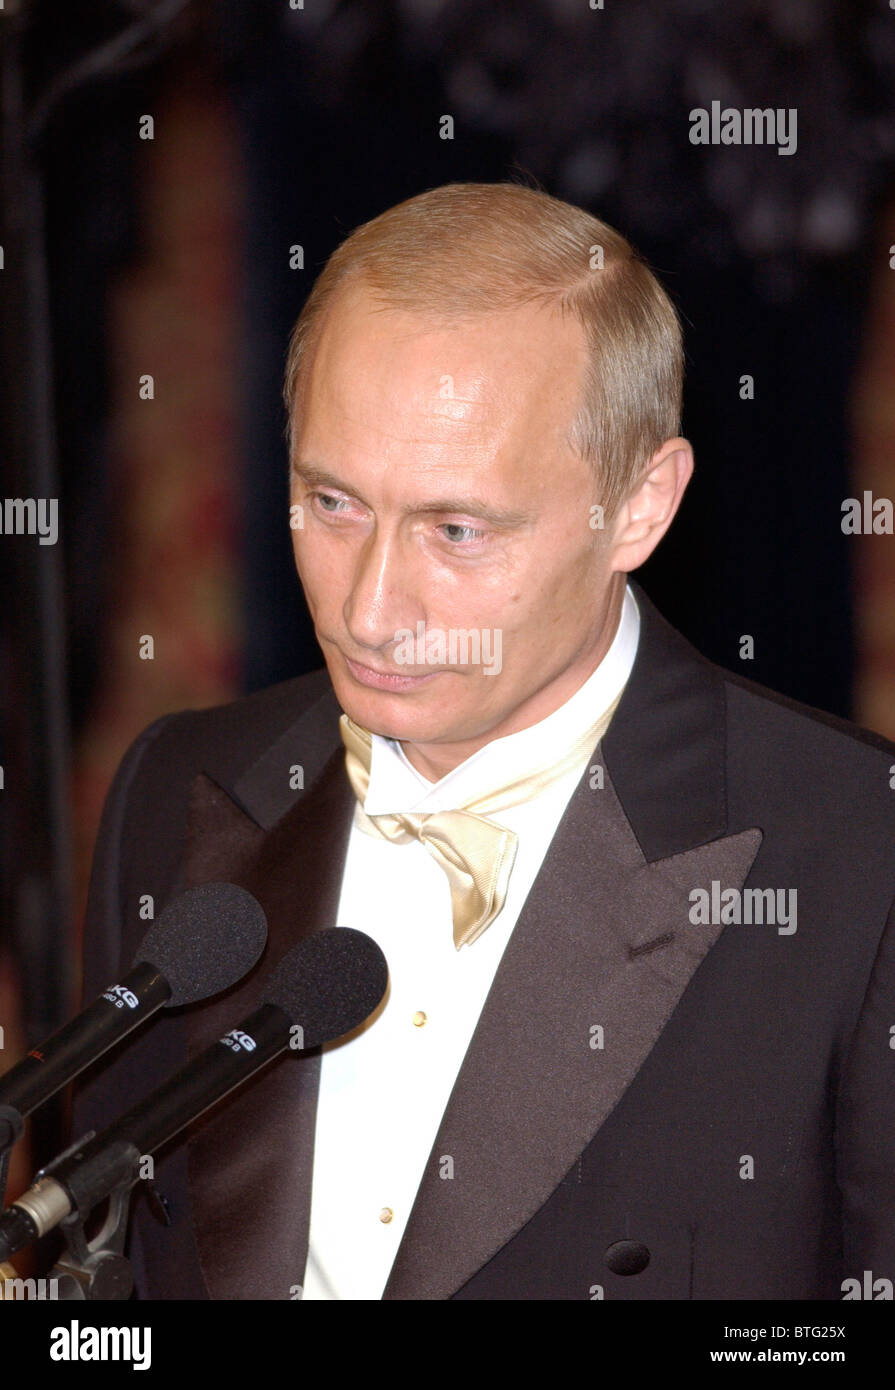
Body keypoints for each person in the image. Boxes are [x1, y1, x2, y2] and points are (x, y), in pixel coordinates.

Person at [73, 182, 895, 1301]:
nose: (369, 609)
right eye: (332, 502)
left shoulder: (855, 861)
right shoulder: (177, 786)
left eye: (456, 531)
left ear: (640, 507)